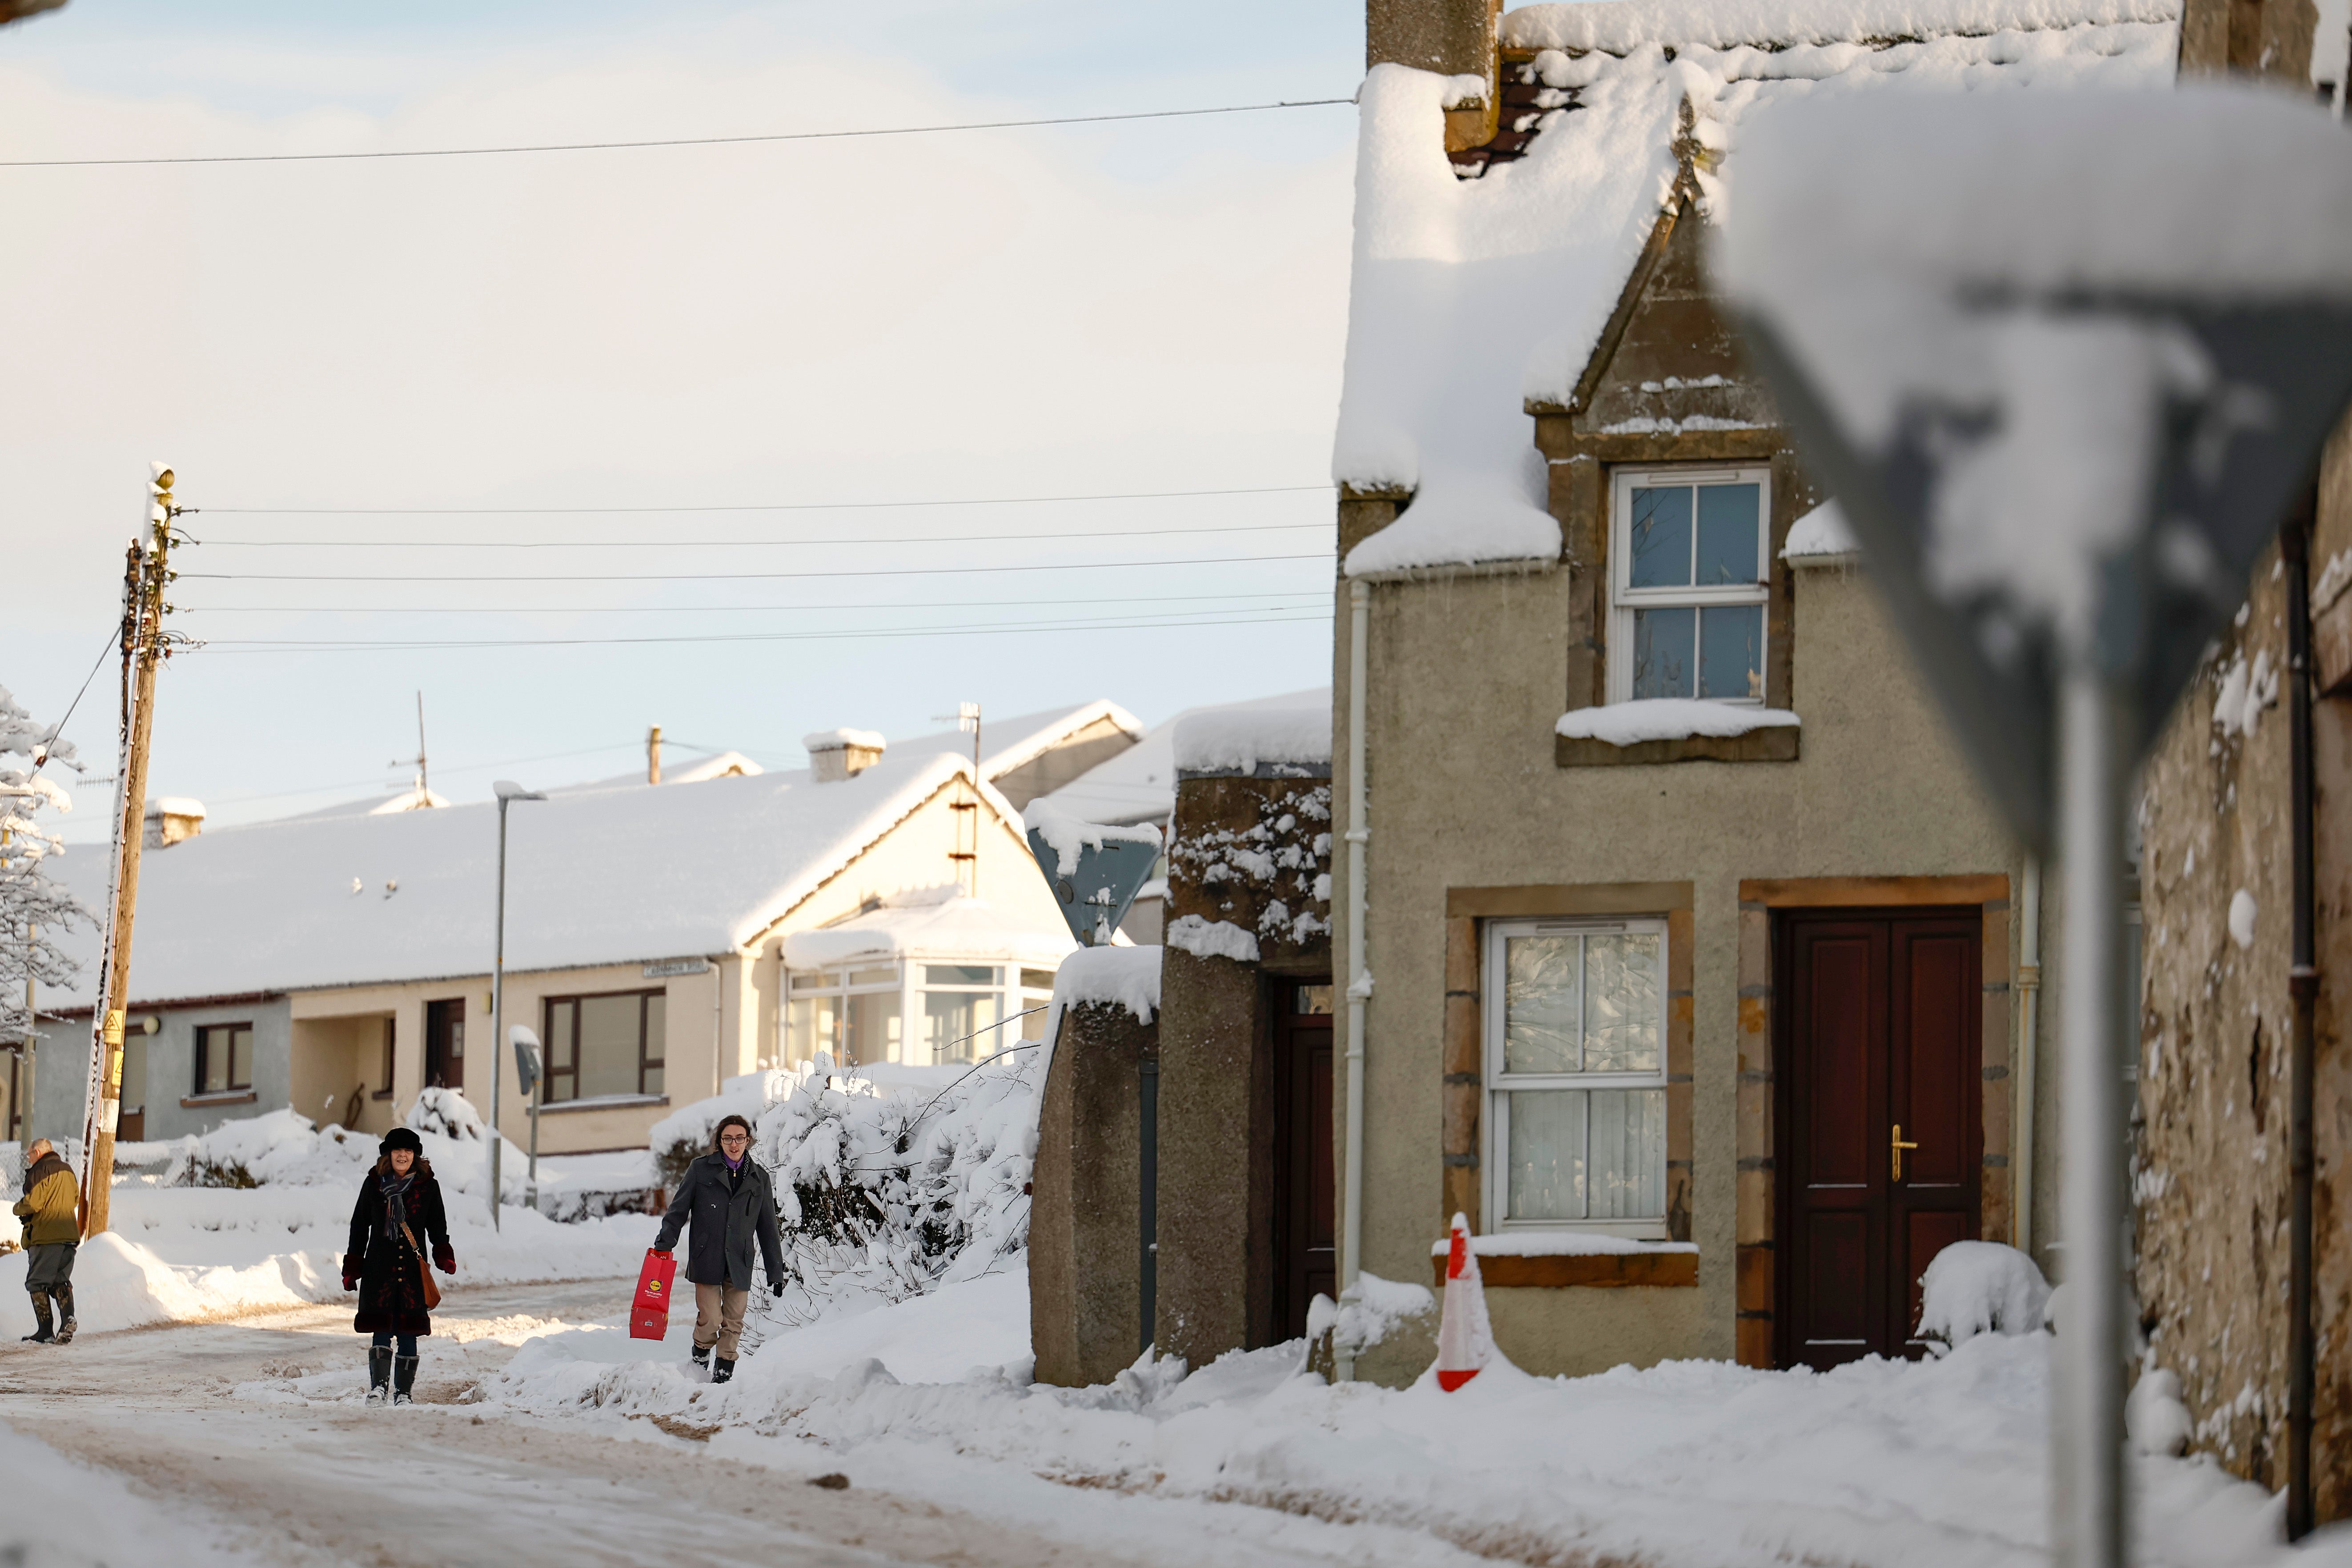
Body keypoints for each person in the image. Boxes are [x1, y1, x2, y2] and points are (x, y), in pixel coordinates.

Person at [652, 1114, 783, 1384]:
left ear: (748, 1141)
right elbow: (678, 1210)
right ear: (720, 1142)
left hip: (740, 1260)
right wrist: (665, 1244)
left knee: (734, 1321)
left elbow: (768, 1228)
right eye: (727, 1139)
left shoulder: (760, 1179)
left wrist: (776, 1272)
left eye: (739, 1138)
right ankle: (700, 1354)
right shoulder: (701, 1169)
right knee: (711, 1318)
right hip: (707, 1256)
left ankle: (723, 1375)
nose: (733, 1144)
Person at [343, 1127, 453, 1407]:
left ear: (415, 1155)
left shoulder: (428, 1186)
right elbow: (359, 1226)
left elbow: (437, 1226)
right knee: (381, 1328)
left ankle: (403, 1394)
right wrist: (352, 1267)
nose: (402, 1155)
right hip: (379, 1269)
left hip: (412, 1273)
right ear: (388, 1155)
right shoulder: (374, 1185)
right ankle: (378, 1388)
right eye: (397, 1151)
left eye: (408, 1151)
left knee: (408, 1331)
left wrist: (443, 1254)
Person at [13, 1139, 78, 1345]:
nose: (29, 1158)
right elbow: (75, 1199)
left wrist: (17, 1208)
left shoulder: (40, 1170)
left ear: (38, 1152)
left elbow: (34, 1202)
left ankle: (45, 1330)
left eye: (30, 1154)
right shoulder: (68, 1171)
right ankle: (68, 1319)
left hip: (46, 1236)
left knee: (36, 1282)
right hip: (69, 1234)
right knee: (60, 1280)